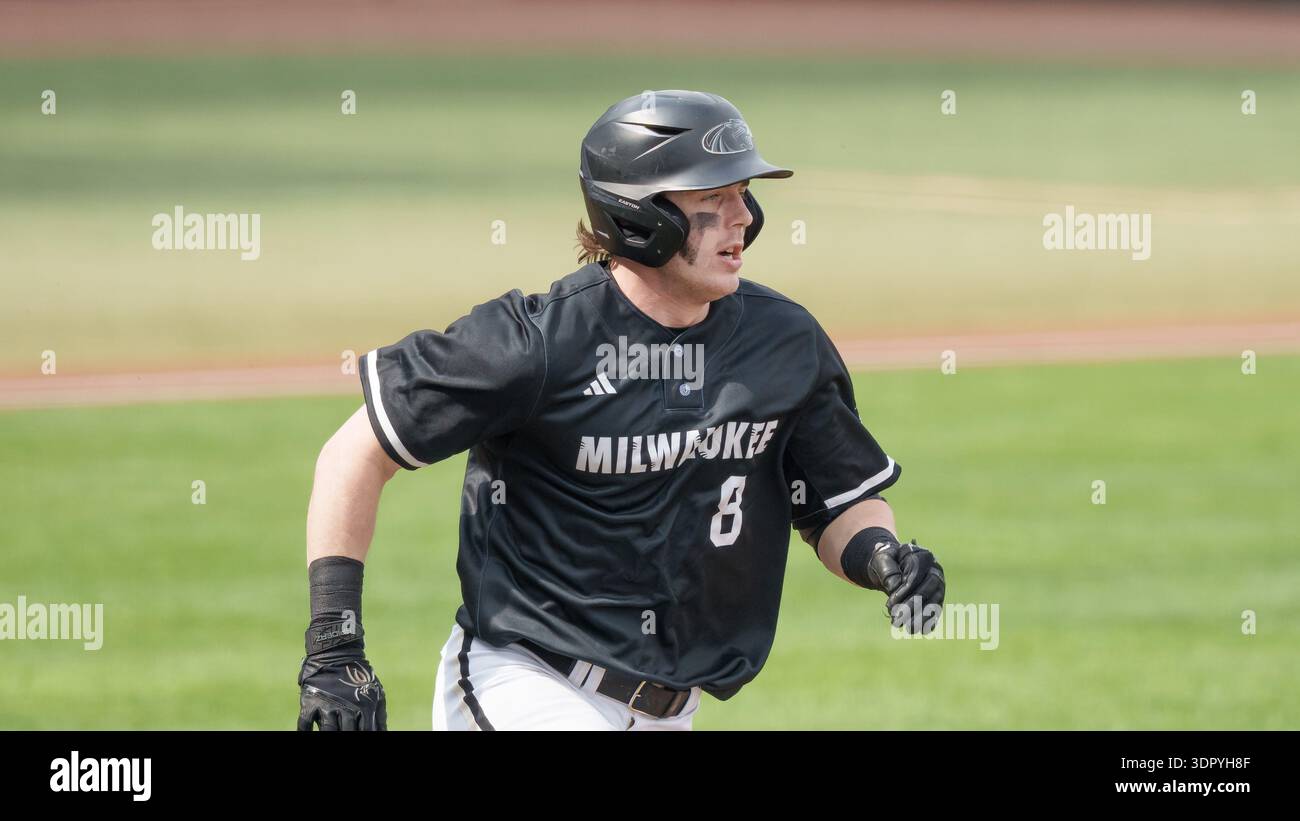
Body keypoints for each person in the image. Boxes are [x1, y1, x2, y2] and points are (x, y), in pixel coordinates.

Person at [296, 90, 946, 731]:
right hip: (526, 683)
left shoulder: (784, 342)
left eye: (744, 193)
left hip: (672, 707)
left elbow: (834, 503)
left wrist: (883, 557)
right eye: (713, 198)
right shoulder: (537, 344)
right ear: (643, 217)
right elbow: (355, 453)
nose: (743, 215)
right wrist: (333, 644)